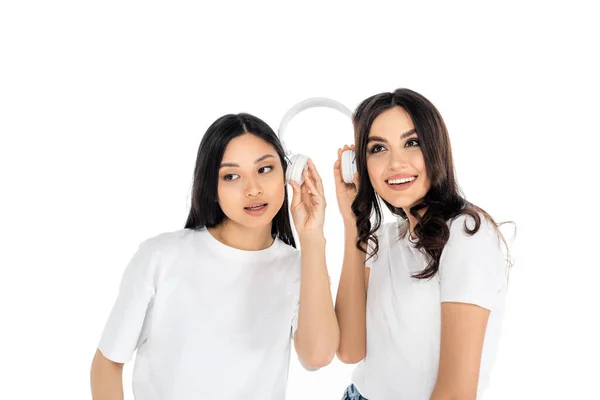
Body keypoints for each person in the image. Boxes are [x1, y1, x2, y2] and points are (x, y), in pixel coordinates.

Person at [90, 113, 339, 399]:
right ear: (212, 187)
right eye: (231, 176)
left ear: (288, 174)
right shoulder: (161, 256)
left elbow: (318, 355)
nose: (253, 189)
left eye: (265, 169)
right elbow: (108, 362)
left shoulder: (300, 268)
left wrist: (312, 238)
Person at [334, 88, 511, 399]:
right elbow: (349, 349)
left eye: (411, 143)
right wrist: (353, 224)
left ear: (436, 149)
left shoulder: (467, 235)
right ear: (359, 166)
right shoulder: (384, 241)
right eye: (378, 149)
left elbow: (456, 392)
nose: (395, 163)